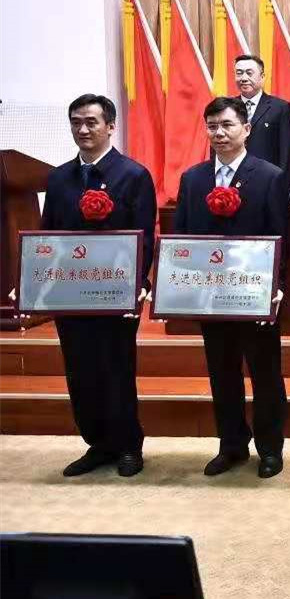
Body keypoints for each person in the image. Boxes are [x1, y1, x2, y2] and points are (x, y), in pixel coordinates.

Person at [173, 96, 290, 479]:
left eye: (227, 125)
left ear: (246, 129)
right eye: (212, 126)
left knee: (265, 375)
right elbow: (181, 238)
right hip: (211, 296)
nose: (219, 133)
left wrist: (276, 288)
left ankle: (270, 449)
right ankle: (232, 445)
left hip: (254, 295)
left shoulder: (270, 176)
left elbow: (281, 237)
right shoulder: (193, 179)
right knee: (221, 373)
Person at [41, 94, 156, 478]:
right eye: (76, 122)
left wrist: (137, 284)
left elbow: (144, 237)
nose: (83, 129)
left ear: (110, 126)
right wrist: (34, 280)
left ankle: (128, 445)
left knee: (116, 369)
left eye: (91, 122)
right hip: (70, 294)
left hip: (114, 294)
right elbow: (46, 237)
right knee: (80, 372)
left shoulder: (133, 175)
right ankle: (98, 444)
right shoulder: (58, 178)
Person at [219, 54, 290, 190]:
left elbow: (288, 154)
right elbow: (218, 146)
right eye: (239, 73)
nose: (244, 78)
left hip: (267, 183)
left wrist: (286, 189)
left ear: (262, 77)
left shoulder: (280, 108)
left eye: (249, 73)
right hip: (231, 184)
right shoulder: (227, 108)